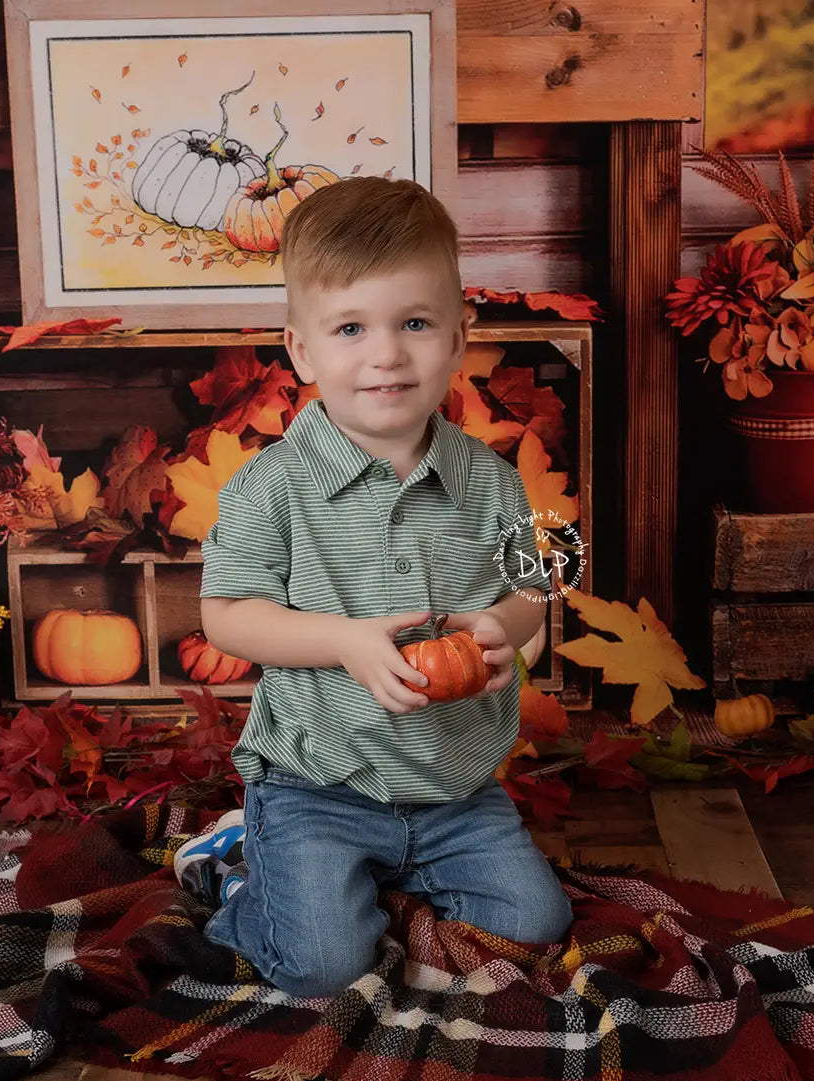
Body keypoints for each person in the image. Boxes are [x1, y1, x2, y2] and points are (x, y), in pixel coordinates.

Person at [174, 175, 573, 997]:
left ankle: (381, 885)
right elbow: (225, 616)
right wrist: (344, 642)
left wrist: (508, 622)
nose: (387, 354)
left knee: (534, 926)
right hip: (319, 785)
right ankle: (243, 875)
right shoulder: (270, 486)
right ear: (303, 350)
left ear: (460, 338)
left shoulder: (491, 477)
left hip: (455, 788)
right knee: (321, 965)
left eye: (415, 324)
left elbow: (543, 578)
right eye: (351, 328)